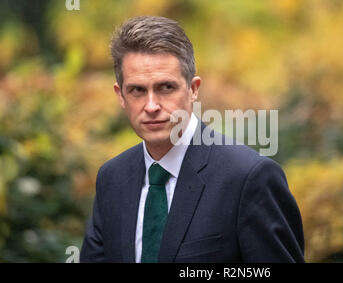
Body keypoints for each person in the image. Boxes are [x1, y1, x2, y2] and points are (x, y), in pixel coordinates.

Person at [80, 16, 305, 263]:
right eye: (137, 90)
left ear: (193, 89)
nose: (152, 105)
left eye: (166, 88)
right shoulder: (112, 178)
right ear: (120, 95)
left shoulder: (249, 178)